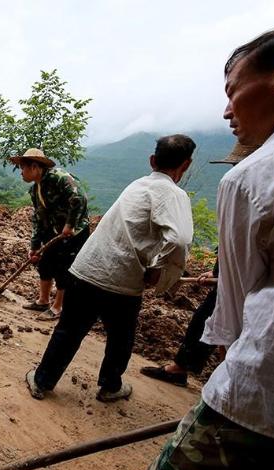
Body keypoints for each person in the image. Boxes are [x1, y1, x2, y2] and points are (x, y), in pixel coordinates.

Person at [105, 24, 274, 470]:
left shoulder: (260, 170)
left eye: (232, 91)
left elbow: (236, 306)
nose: (227, 110)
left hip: (265, 396)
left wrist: (223, 376)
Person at [25, 135, 194, 403]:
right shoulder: (174, 195)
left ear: (152, 161)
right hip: (123, 279)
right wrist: (161, 272)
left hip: (87, 267)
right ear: (186, 165)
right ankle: (110, 386)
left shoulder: (137, 185)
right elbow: (181, 239)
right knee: (120, 337)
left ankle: (42, 380)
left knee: (69, 330)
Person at [139, 142, 258, 386]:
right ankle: (192, 370)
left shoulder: (255, 191)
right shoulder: (246, 189)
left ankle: (227, 382)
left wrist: (228, 275)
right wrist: (217, 270)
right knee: (213, 322)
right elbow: (231, 241)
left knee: (230, 328)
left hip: (245, 279)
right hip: (231, 277)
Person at [10, 148, 90, 321]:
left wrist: (70, 225)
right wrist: (34, 247)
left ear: (34, 167)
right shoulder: (36, 190)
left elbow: (79, 198)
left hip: (74, 233)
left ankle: (58, 307)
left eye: (22, 168)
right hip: (54, 231)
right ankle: (43, 301)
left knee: (64, 268)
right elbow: (38, 218)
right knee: (45, 263)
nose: (21, 173)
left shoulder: (59, 178)